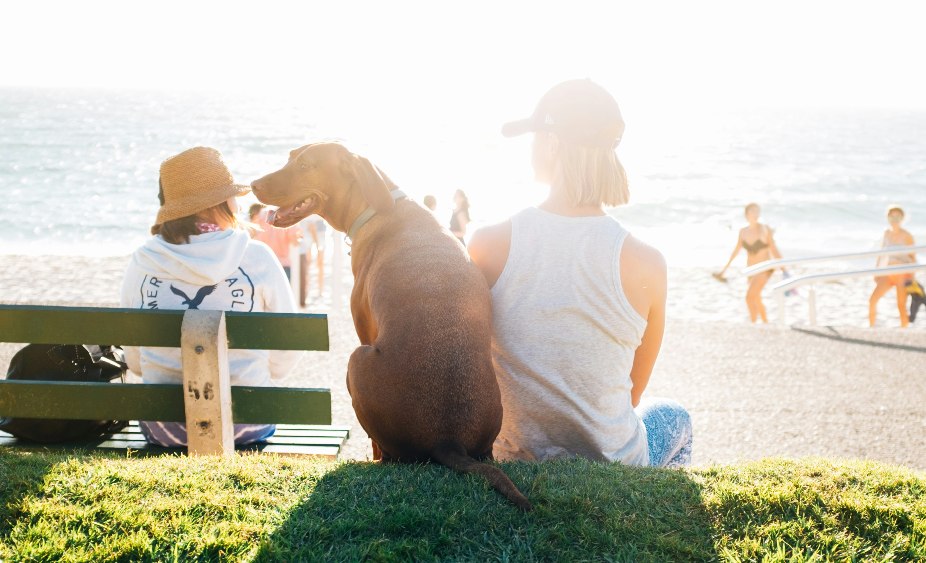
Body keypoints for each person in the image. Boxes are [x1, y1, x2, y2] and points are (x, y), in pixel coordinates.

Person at [468, 79, 691, 468]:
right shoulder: (647, 262)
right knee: (676, 417)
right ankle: (658, 510)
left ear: (553, 143)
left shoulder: (489, 243)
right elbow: (632, 395)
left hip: (514, 457)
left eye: (535, 136)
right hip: (615, 462)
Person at [120, 146, 300, 447]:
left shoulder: (143, 260)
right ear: (221, 202)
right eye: (232, 195)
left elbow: (135, 363)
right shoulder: (256, 256)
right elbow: (288, 347)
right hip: (247, 421)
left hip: (164, 426)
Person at [713, 203, 783, 323]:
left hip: (765, 268)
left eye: (758, 211)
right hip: (750, 269)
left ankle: (753, 324)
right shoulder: (743, 232)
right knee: (756, 298)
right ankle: (766, 323)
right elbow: (736, 251)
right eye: (753, 212)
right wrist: (724, 270)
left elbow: (773, 249)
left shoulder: (765, 229)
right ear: (746, 214)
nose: (756, 214)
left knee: (749, 297)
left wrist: (784, 268)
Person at [869, 206, 916, 328]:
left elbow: (913, 258)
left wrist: (912, 276)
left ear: (902, 218)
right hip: (888, 273)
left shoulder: (907, 236)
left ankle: (904, 331)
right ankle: (871, 328)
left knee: (901, 305)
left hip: (902, 274)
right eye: (892, 216)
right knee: (872, 300)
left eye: (897, 216)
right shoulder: (886, 233)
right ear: (888, 218)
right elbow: (881, 254)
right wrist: (876, 272)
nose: (894, 219)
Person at [250, 202, 301, 281]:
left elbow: (253, 235)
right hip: (282, 265)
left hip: (263, 264)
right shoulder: (289, 215)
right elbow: (295, 242)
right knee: (283, 293)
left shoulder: (261, 214)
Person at [297, 214, 327, 306]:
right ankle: (312, 290)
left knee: (318, 262)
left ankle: (318, 290)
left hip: (317, 224)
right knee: (311, 262)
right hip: (309, 224)